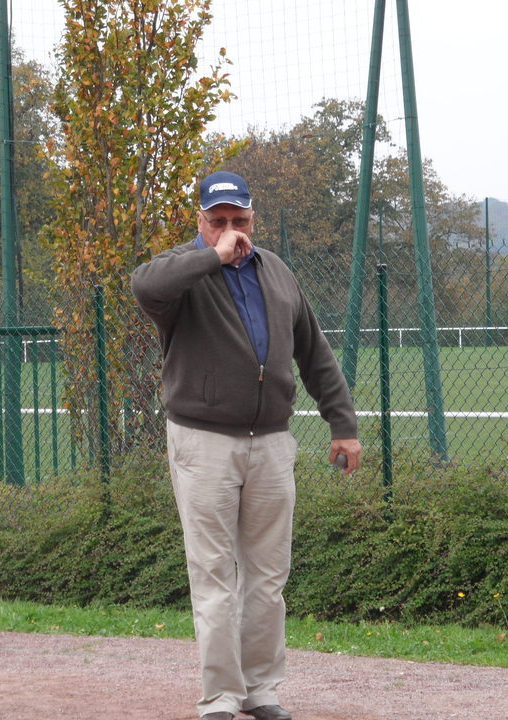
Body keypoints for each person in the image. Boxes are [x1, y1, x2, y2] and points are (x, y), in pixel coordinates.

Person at [131, 170, 362, 720]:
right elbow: (143, 284)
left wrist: (342, 424)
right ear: (201, 223)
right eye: (218, 221)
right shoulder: (183, 277)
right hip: (203, 442)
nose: (231, 230)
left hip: (272, 444)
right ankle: (221, 697)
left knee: (267, 577)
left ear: (253, 219)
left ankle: (260, 691)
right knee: (213, 575)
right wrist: (214, 256)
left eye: (240, 220)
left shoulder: (276, 272)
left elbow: (314, 352)